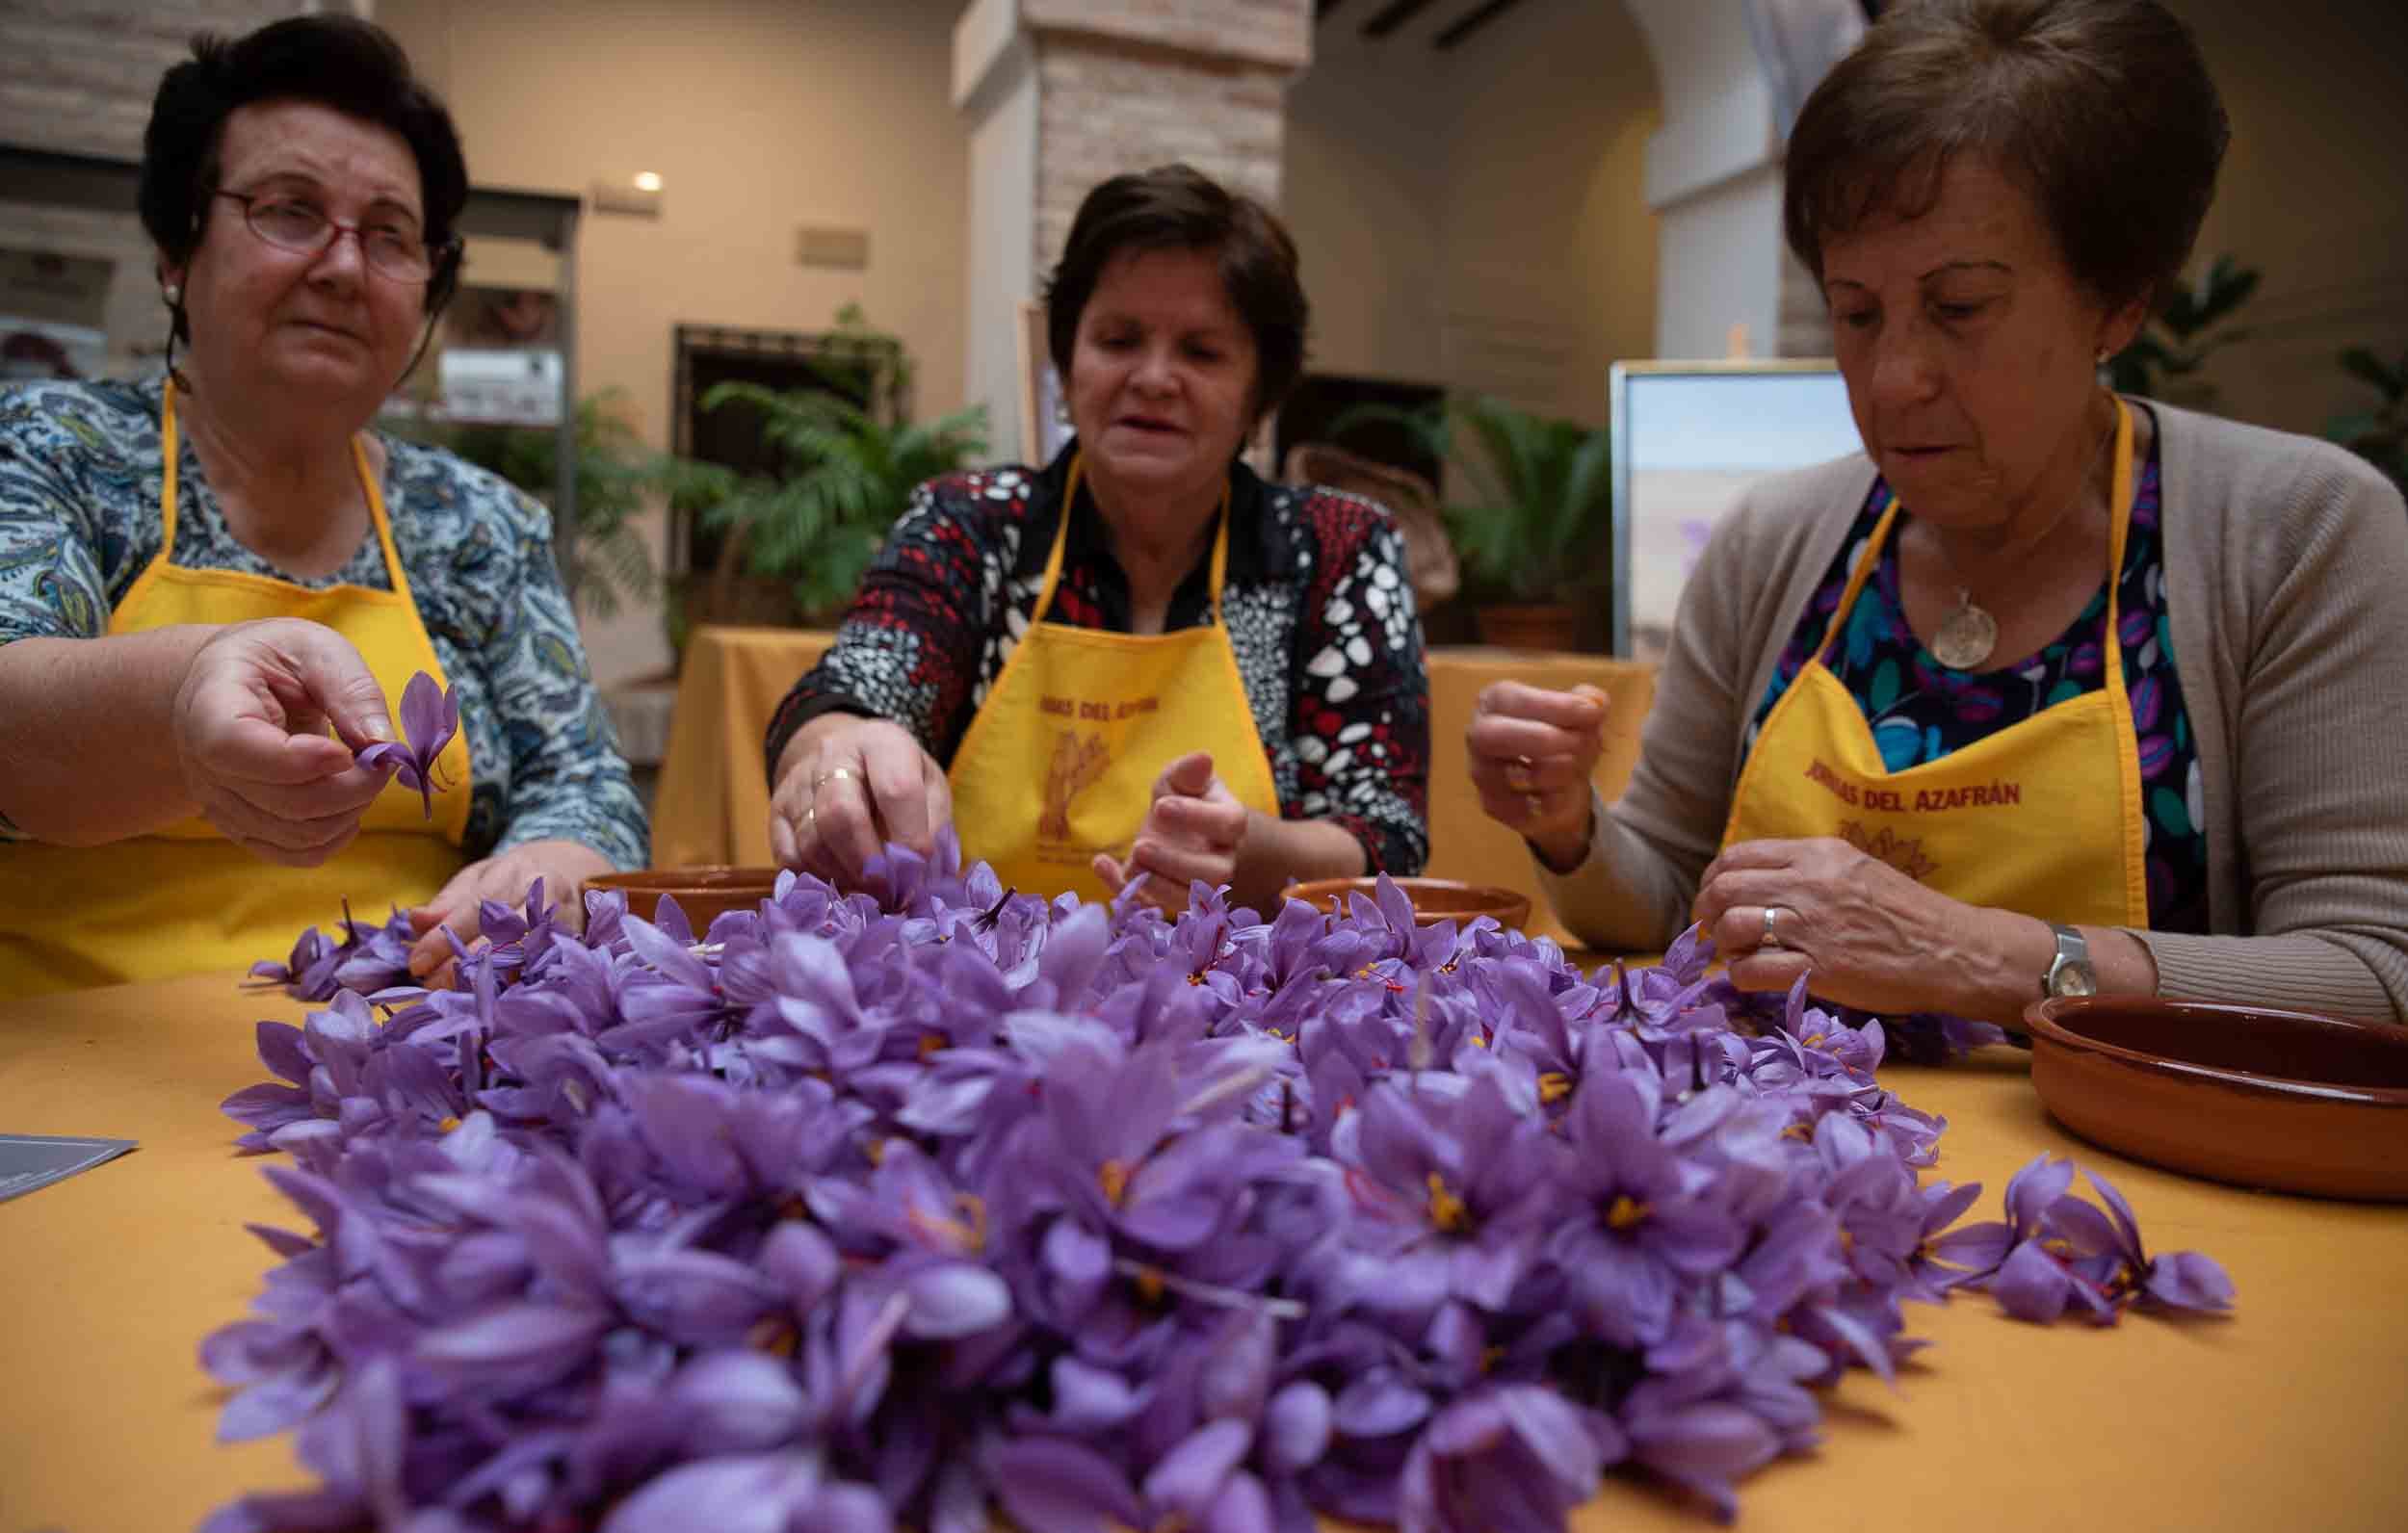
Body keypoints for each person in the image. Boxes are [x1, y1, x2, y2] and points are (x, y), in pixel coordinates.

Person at [1467, 0, 2408, 1026]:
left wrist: (1971, 954)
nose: (1893, 378)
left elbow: (2372, 976)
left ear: (2119, 301)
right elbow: (1663, 896)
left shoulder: (2298, 533)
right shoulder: (1772, 542)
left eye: (1958, 308)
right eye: (1855, 312)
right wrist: (1569, 825)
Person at [0, 14, 645, 999]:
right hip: (66, 1068)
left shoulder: (476, 524)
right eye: (288, 211)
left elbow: (585, 784)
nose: (344, 267)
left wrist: (552, 868)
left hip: (411, 1048)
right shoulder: (55, 448)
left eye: (389, 235)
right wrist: (185, 701)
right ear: (178, 247)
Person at [764, 164, 1429, 910]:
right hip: (968, 994)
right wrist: (838, 753)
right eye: (1118, 339)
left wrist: (1251, 852)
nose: (1152, 377)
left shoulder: (1337, 549)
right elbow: (854, 687)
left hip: (1247, 1007)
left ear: (1260, 396)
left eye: (1201, 352)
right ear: (1067, 362)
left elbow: (1385, 834)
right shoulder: (971, 525)